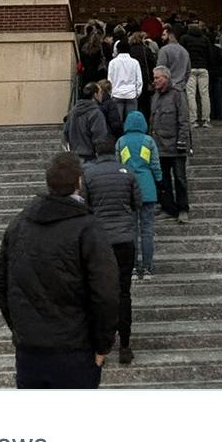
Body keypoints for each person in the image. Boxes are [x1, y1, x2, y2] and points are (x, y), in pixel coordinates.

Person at [0, 152, 119, 388]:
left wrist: (21, 330)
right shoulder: (88, 228)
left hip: (30, 350)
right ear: (79, 183)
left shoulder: (18, 225)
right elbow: (106, 292)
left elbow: (0, 283)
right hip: (75, 350)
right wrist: (103, 344)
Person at [83, 137, 142, 364]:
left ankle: (102, 347)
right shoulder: (127, 171)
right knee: (123, 293)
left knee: (99, 294)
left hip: (100, 243)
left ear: (96, 152)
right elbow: (137, 202)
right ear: (115, 151)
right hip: (125, 240)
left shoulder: (88, 174)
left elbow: (85, 205)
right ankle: (125, 346)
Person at [116, 110, 164, 280]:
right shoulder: (148, 141)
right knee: (147, 229)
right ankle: (148, 267)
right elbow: (155, 164)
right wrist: (159, 180)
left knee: (132, 230)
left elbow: (118, 164)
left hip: (128, 188)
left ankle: (134, 268)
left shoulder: (121, 142)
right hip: (148, 188)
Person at [148, 65, 191, 223]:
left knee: (180, 179)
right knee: (162, 179)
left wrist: (182, 141)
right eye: (154, 78)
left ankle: (183, 209)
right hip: (159, 146)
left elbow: (184, 120)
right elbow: (152, 122)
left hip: (175, 146)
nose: (155, 81)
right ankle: (168, 208)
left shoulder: (177, 95)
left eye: (158, 78)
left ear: (166, 78)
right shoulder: (155, 96)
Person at [180, 19, 214, 127]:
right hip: (203, 68)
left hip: (190, 68)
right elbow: (210, 54)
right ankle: (206, 120)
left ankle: (193, 120)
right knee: (204, 94)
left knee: (191, 94)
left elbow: (182, 54)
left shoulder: (185, 38)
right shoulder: (205, 39)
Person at [66, 82, 109, 161]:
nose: (102, 95)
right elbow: (100, 137)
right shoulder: (96, 113)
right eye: (100, 92)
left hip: (74, 157)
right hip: (90, 158)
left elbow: (66, 133)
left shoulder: (73, 112)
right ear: (95, 95)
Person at [106, 40, 142, 123]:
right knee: (132, 122)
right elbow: (139, 80)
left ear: (117, 50)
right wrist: (137, 93)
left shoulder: (112, 63)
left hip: (117, 94)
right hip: (131, 94)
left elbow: (110, 79)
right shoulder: (135, 62)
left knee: (118, 121)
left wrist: (111, 93)